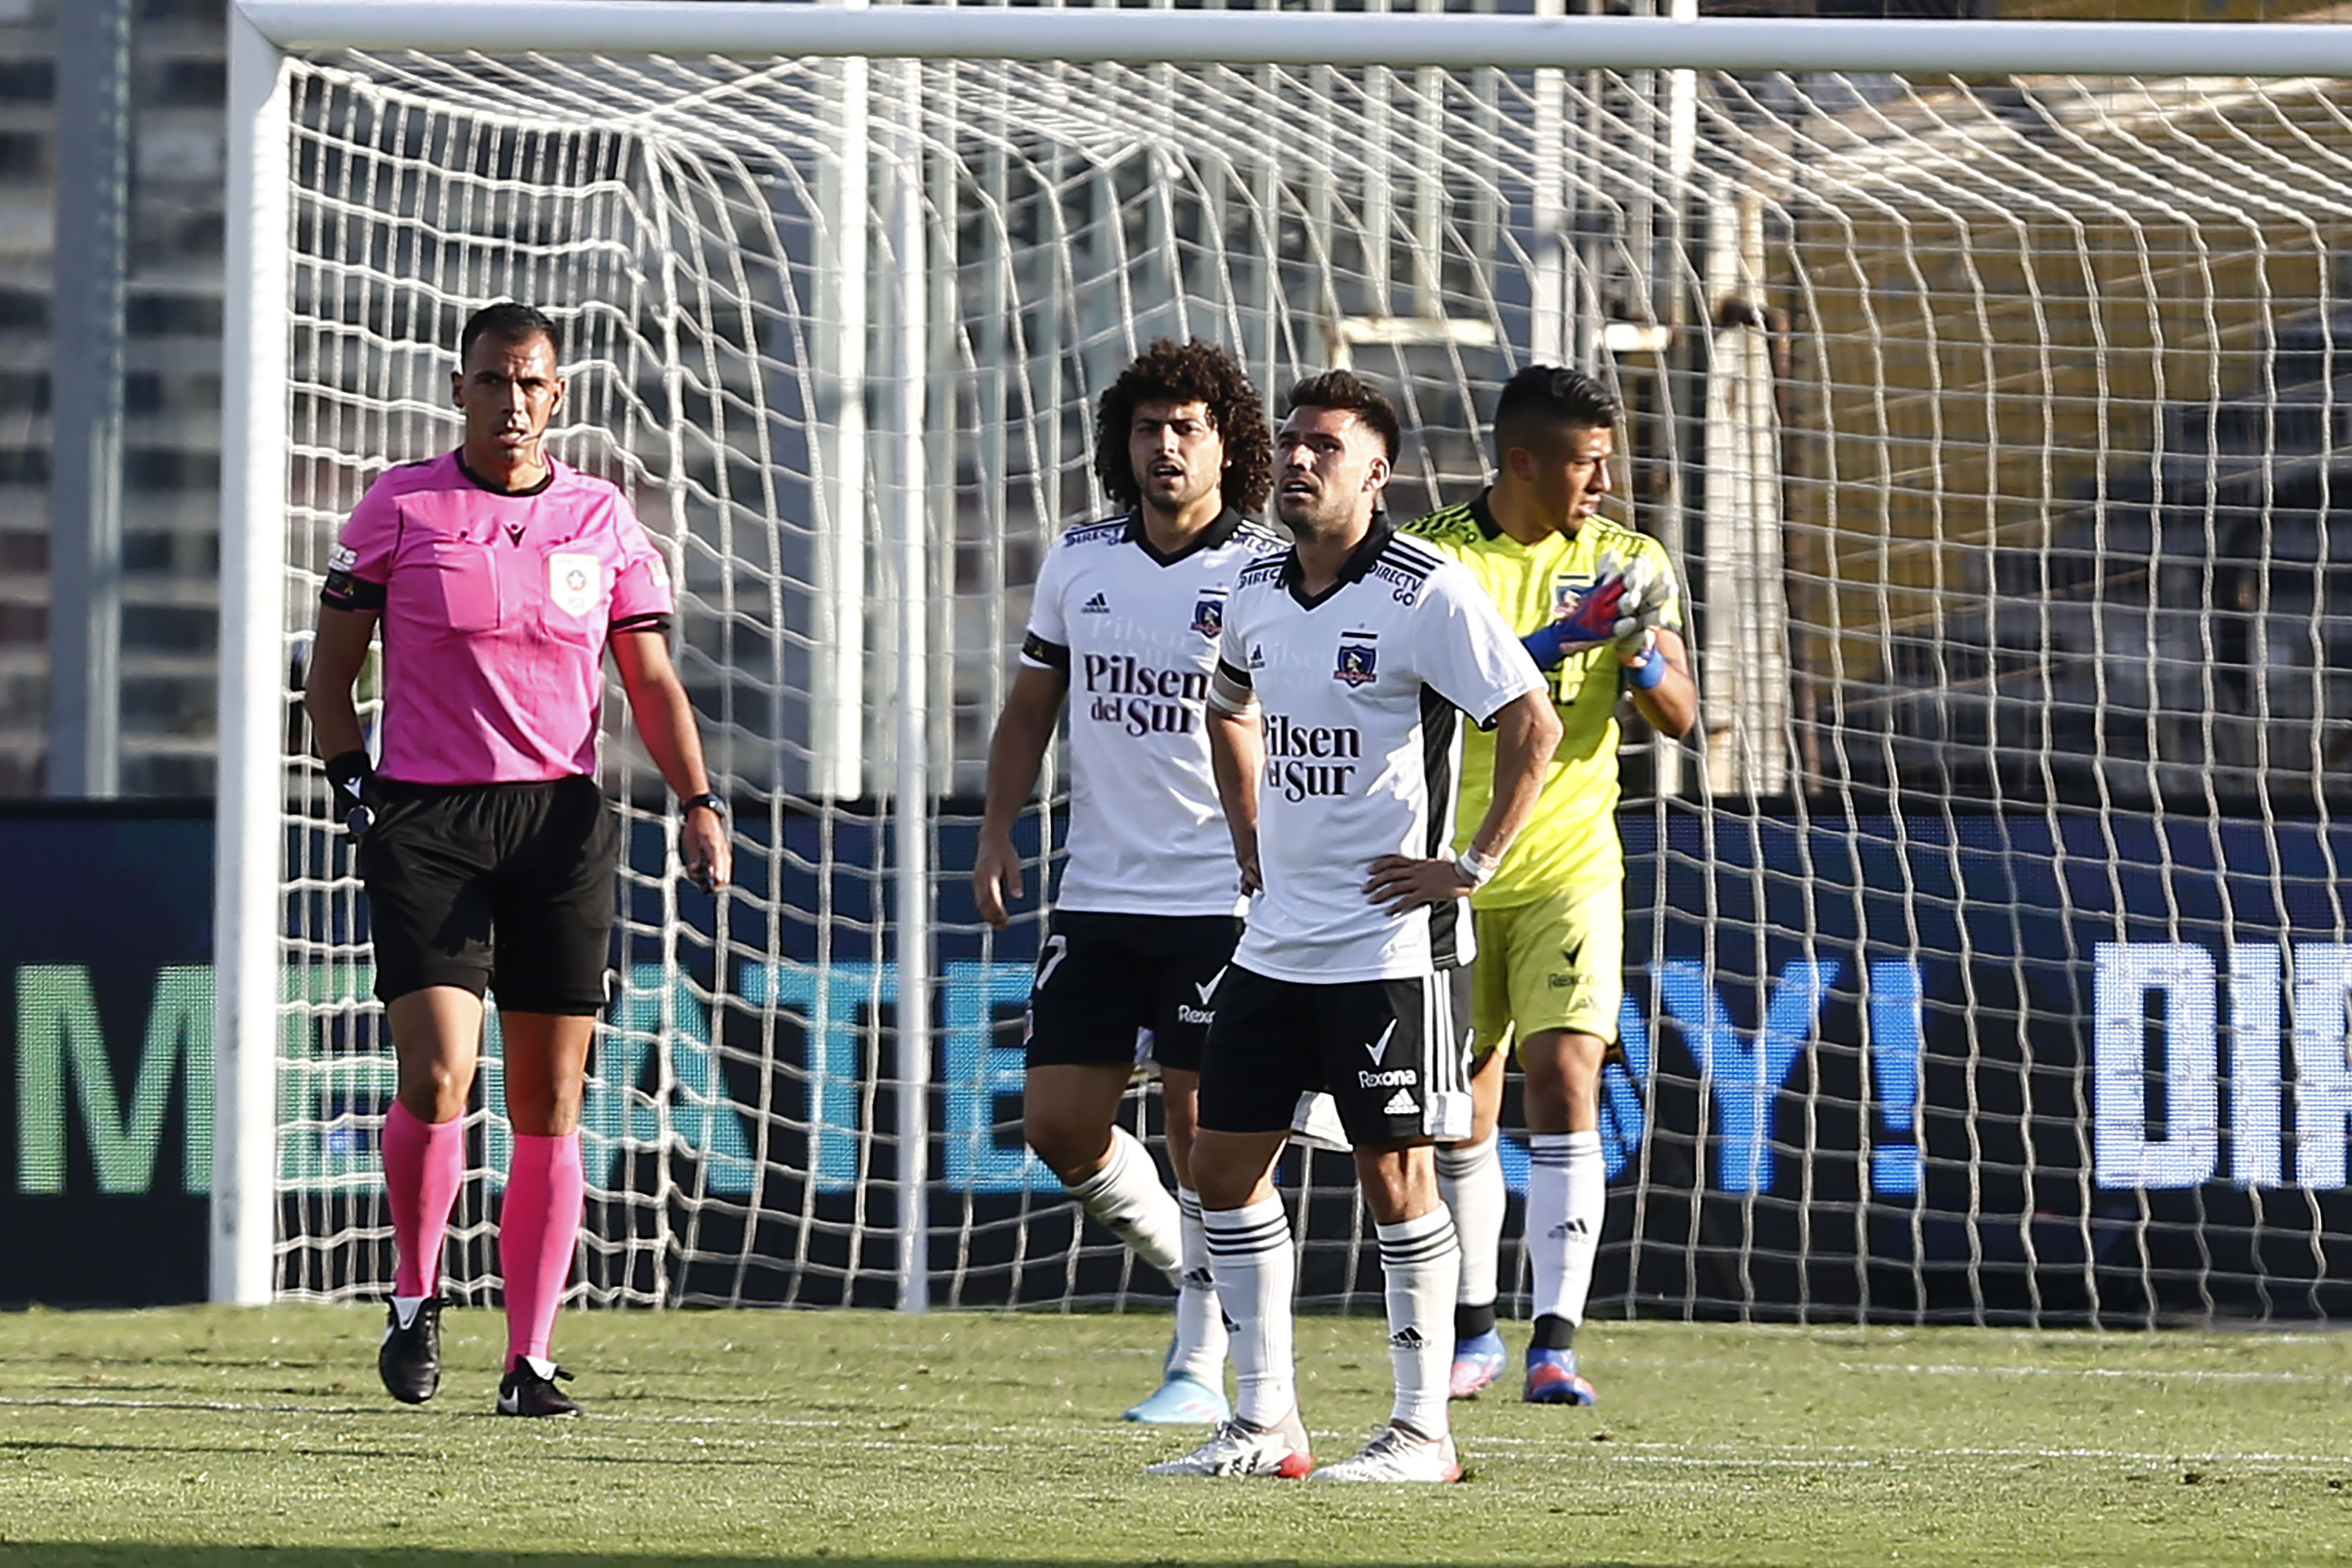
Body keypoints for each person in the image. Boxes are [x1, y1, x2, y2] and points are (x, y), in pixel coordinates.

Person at [305, 300, 731, 1419]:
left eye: (531, 382)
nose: (512, 401)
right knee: (442, 1074)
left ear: (558, 395)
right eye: (492, 380)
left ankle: (528, 1361)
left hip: (560, 828)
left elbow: (651, 683)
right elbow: (330, 684)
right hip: (430, 823)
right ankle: (413, 1295)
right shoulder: (401, 506)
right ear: (460, 390)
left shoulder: (600, 517)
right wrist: (359, 793)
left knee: (552, 1099)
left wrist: (697, 801)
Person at [1148, 370, 1562, 1483]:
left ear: (1376, 472)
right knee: (1223, 1169)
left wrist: (1469, 866)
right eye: (1289, 443)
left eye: (1324, 446)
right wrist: (1249, 837)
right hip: (1275, 939)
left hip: (1392, 947)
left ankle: (1424, 1433)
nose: (1296, 460)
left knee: (1396, 1177)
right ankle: (1264, 1422)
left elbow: (1534, 723)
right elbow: (1227, 705)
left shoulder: (1430, 589)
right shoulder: (1253, 587)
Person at [973, 338, 1278, 1425]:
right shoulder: (1081, 558)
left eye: (1190, 427)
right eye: (1150, 427)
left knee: (1207, 1138)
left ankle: (1201, 1366)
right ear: (1123, 443)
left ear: (1227, 443)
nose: (1167, 446)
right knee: (1058, 1125)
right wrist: (998, 831)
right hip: (1096, 893)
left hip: (1217, 898)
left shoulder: (1266, 573)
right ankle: (1195, 1276)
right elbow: (1028, 712)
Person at [1402, 365, 1695, 1405]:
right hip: (1452, 863)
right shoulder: (1434, 557)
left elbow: (1683, 718)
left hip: (1571, 857)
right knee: (1458, 1107)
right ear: (1523, 463)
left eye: (1610, 463)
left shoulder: (1629, 560)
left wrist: (1640, 653)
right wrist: (1548, 646)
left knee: (1567, 1074)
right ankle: (1476, 1326)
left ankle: (1556, 1341)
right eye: (1587, 464)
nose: (1605, 484)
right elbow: (1412, 696)